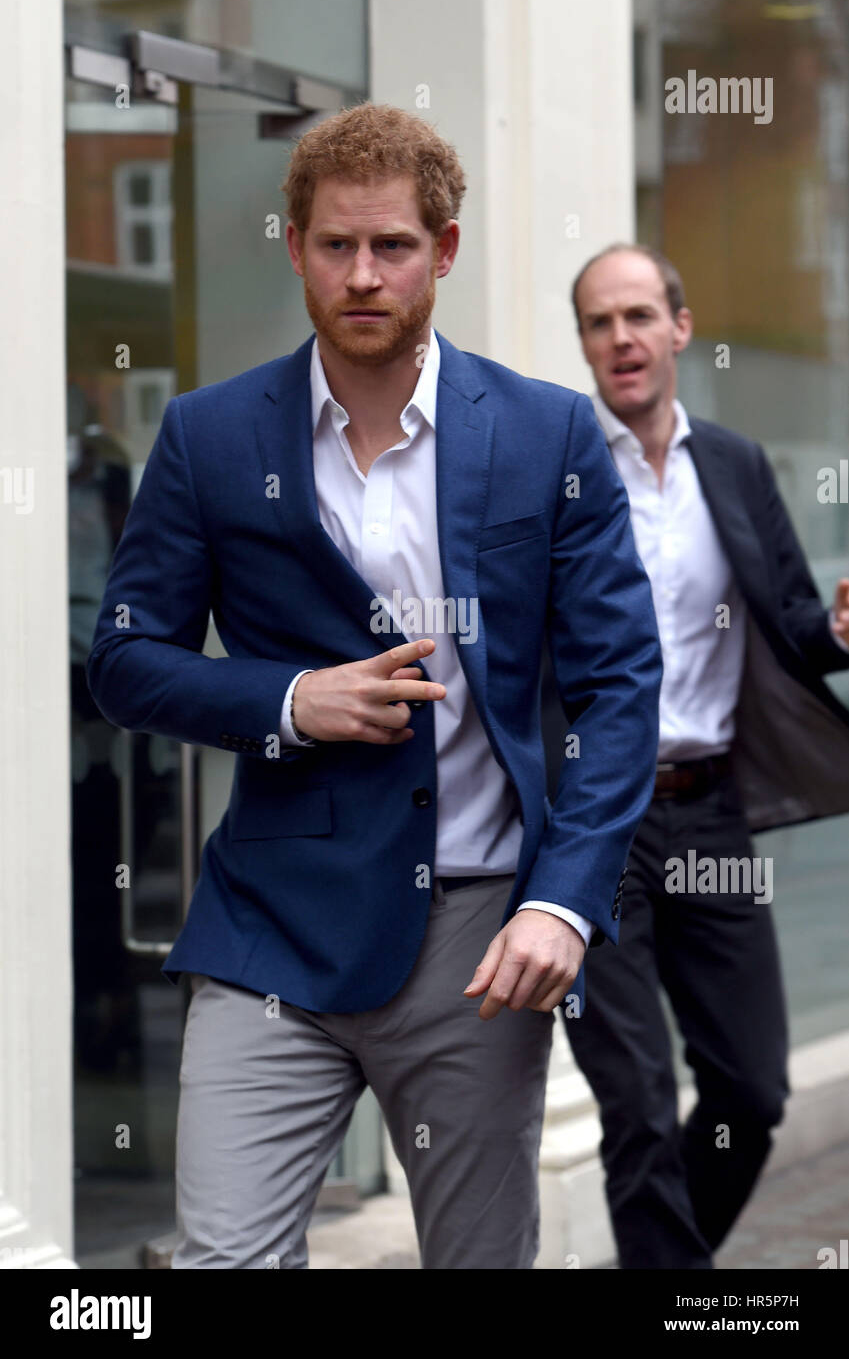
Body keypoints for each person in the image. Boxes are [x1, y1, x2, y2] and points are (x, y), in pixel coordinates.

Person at [86, 106, 662, 1270]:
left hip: (479, 938)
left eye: (392, 245)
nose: (362, 274)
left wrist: (563, 900)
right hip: (272, 928)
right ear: (292, 245)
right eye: (335, 245)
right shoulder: (205, 436)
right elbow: (126, 657)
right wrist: (291, 700)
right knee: (223, 1261)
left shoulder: (549, 435)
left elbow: (619, 685)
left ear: (443, 251)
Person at [555, 241, 849, 1269]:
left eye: (639, 316)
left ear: (679, 328)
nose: (621, 338)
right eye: (600, 321)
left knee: (752, 1089)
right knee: (635, 1101)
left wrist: (841, 635)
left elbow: (794, 619)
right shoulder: (559, 469)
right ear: (585, 342)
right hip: (596, 822)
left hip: (710, 811)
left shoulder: (732, 461)